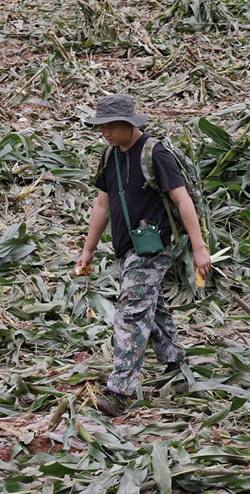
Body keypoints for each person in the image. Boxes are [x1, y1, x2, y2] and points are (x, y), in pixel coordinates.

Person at [78, 94, 212, 417]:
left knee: (132, 312)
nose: (106, 133)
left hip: (153, 247)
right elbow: (101, 205)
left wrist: (199, 247)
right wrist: (88, 250)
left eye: (112, 127)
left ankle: (120, 391)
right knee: (152, 309)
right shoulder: (110, 157)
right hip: (126, 249)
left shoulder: (155, 153)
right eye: (102, 127)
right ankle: (177, 369)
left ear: (129, 124)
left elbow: (183, 201)